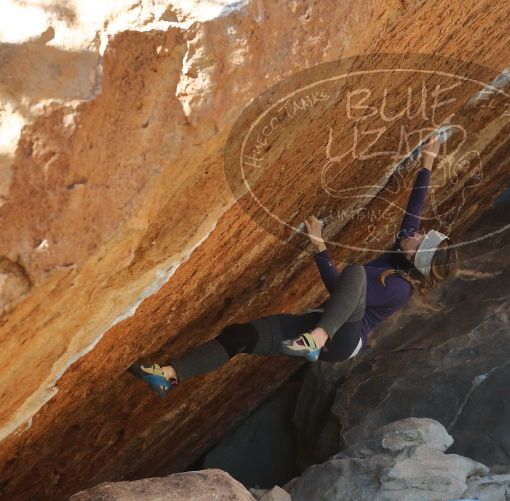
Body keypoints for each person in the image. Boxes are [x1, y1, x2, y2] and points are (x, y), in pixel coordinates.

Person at [130, 135, 457, 397]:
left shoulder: (399, 288)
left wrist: (319, 247)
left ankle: (314, 339)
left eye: (420, 240)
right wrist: (428, 160)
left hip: (343, 340)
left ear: (417, 258)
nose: (416, 234)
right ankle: (170, 376)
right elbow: (414, 209)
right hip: (320, 323)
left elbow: (339, 288)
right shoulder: (401, 252)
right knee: (240, 335)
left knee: (354, 274)